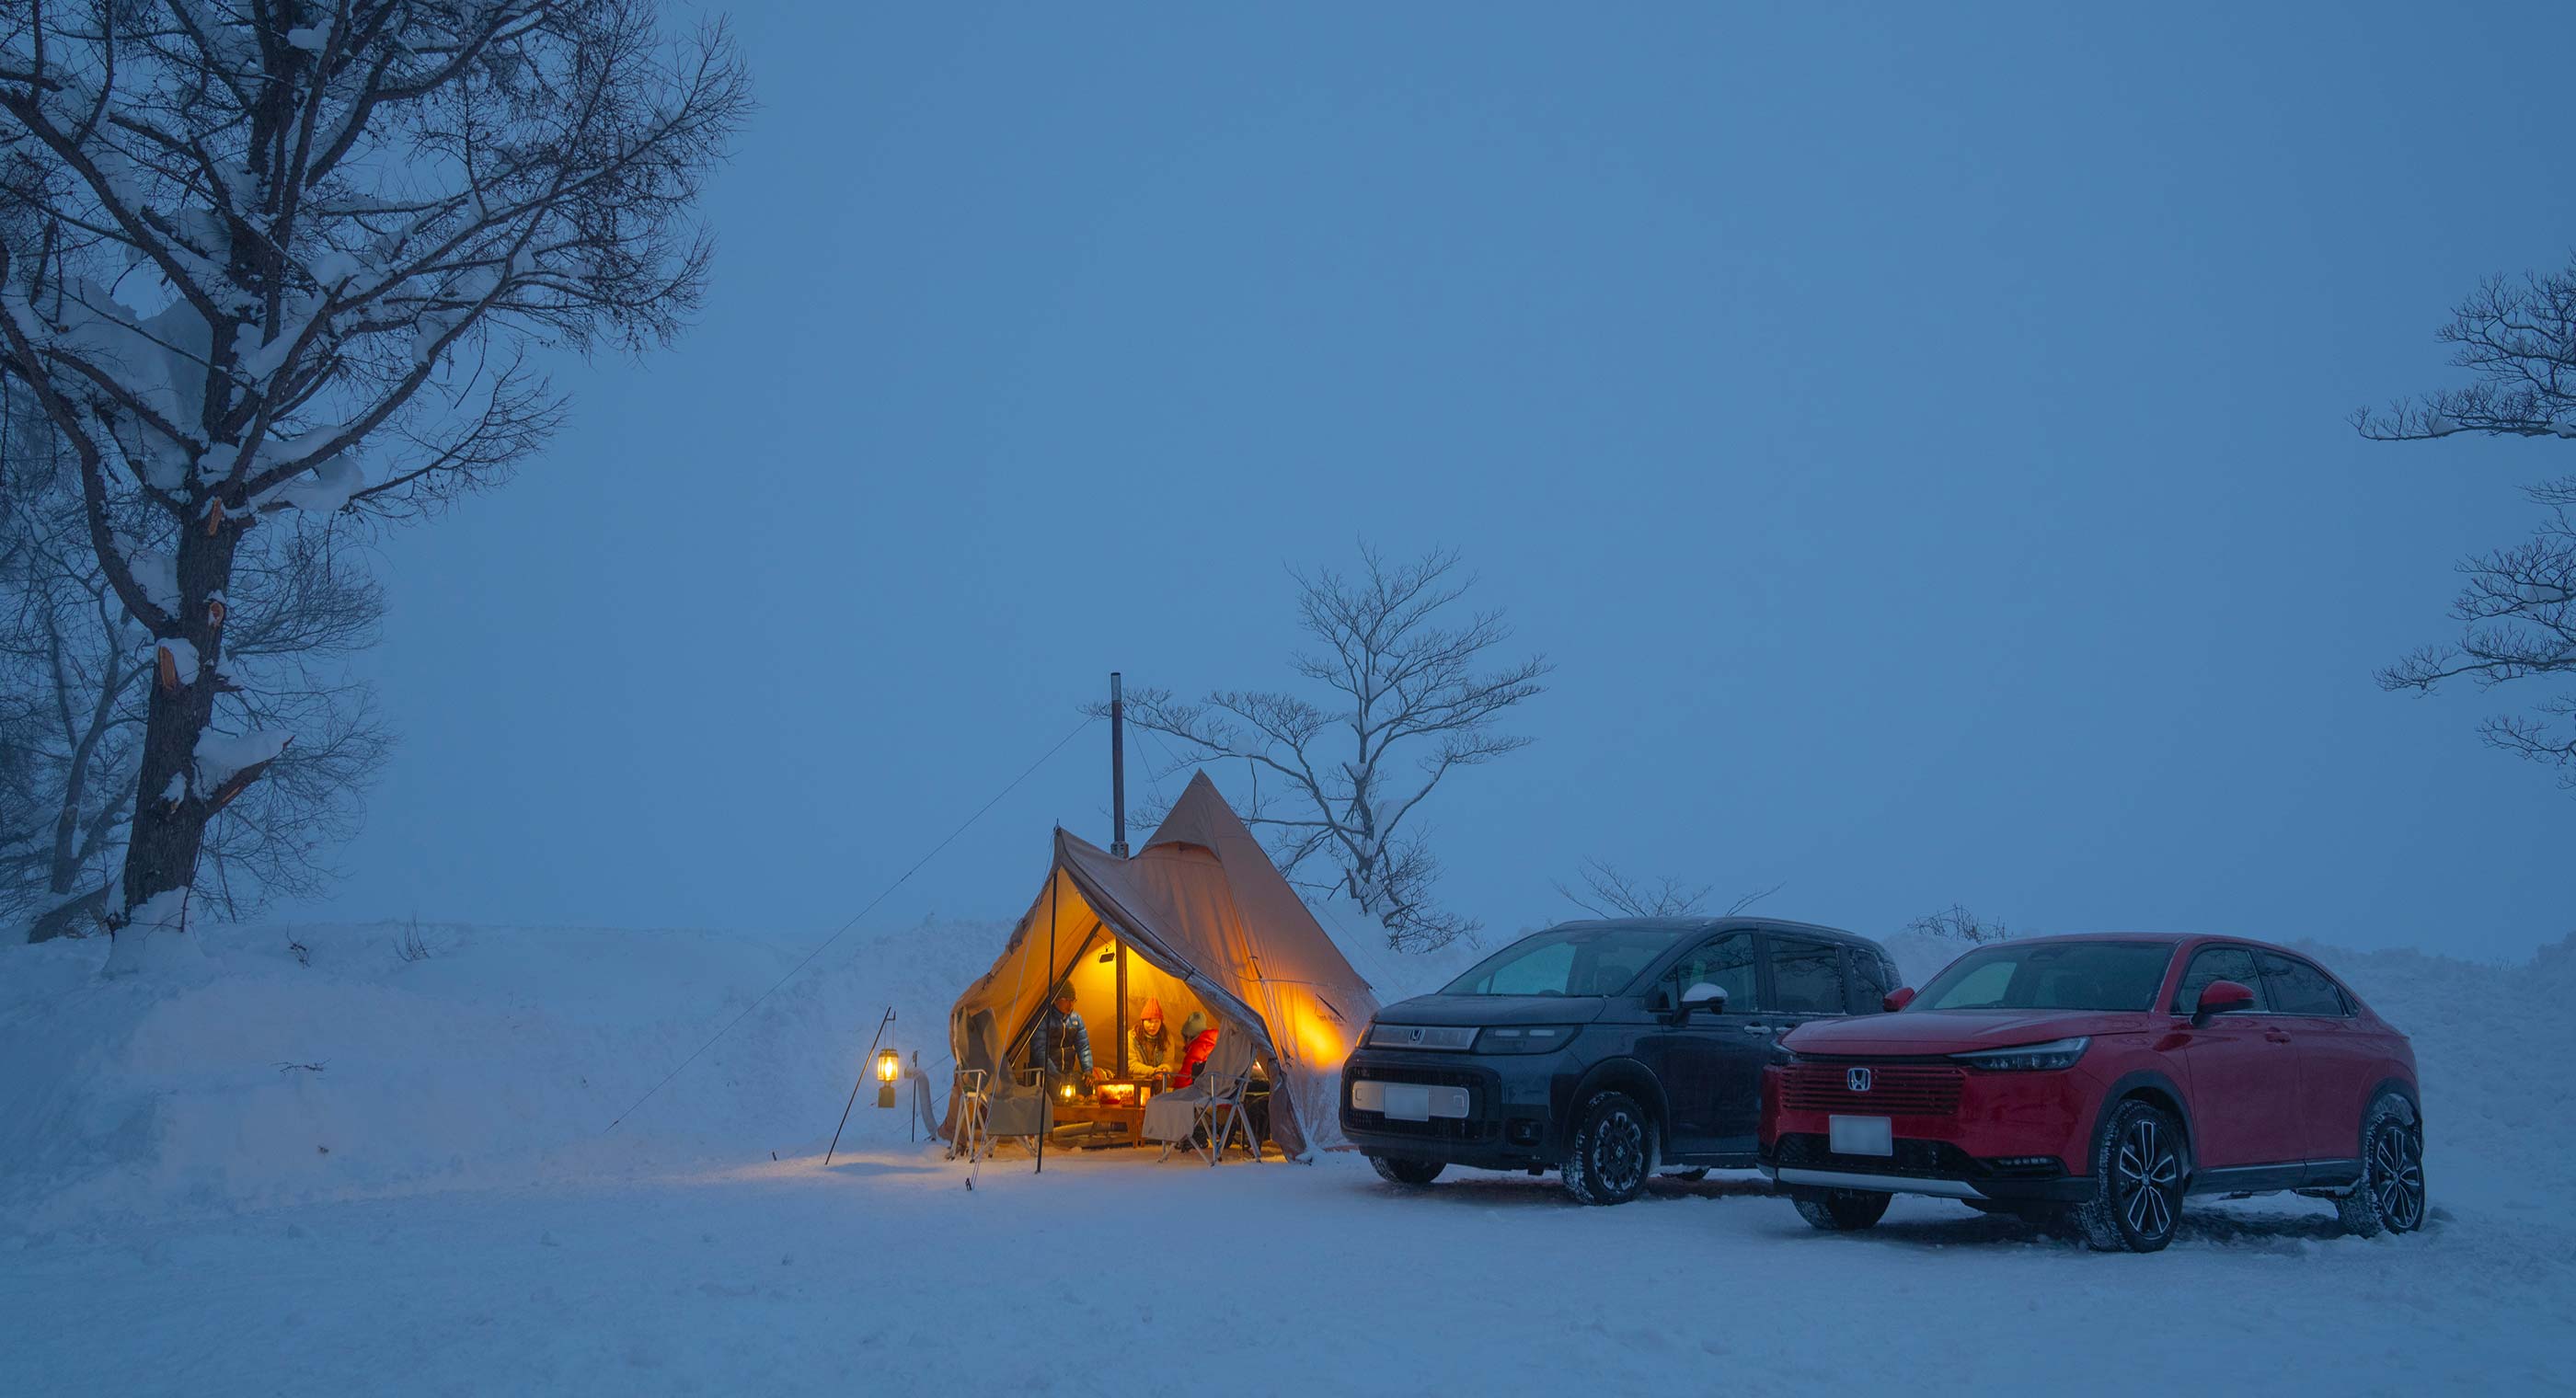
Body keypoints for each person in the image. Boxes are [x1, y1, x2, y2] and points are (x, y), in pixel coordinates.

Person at [1031, 985, 1097, 1088]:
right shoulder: (1043, 1019)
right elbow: (1040, 1051)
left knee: (1086, 1086)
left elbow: (1084, 1048)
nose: (1070, 1004)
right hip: (1047, 1073)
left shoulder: (1076, 1019)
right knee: (1054, 1089)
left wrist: (1088, 1070)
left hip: (1068, 1073)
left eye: (1073, 1000)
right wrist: (1056, 1074)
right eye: (1066, 1000)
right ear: (1055, 999)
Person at [1170, 1011, 1220, 1090]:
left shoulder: (1199, 1048)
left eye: (1184, 1038)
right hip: (1215, 1090)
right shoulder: (1212, 1042)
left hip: (1200, 1091)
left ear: (1189, 1037)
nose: (1184, 1042)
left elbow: (1184, 1078)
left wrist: (1174, 1092)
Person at [1129, 999, 1177, 1076]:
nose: (1153, 1025)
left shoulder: (1167, 1038)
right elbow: (1131, 1064)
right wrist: (1153, 1071)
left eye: (1156, 1021)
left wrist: (1165, 1069)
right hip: (1137, 1080)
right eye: (1149, 1021)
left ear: (1161, 1022)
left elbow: (1169, 1061)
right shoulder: (1132, 1036)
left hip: (1159, 1080)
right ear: (1142, 1021)